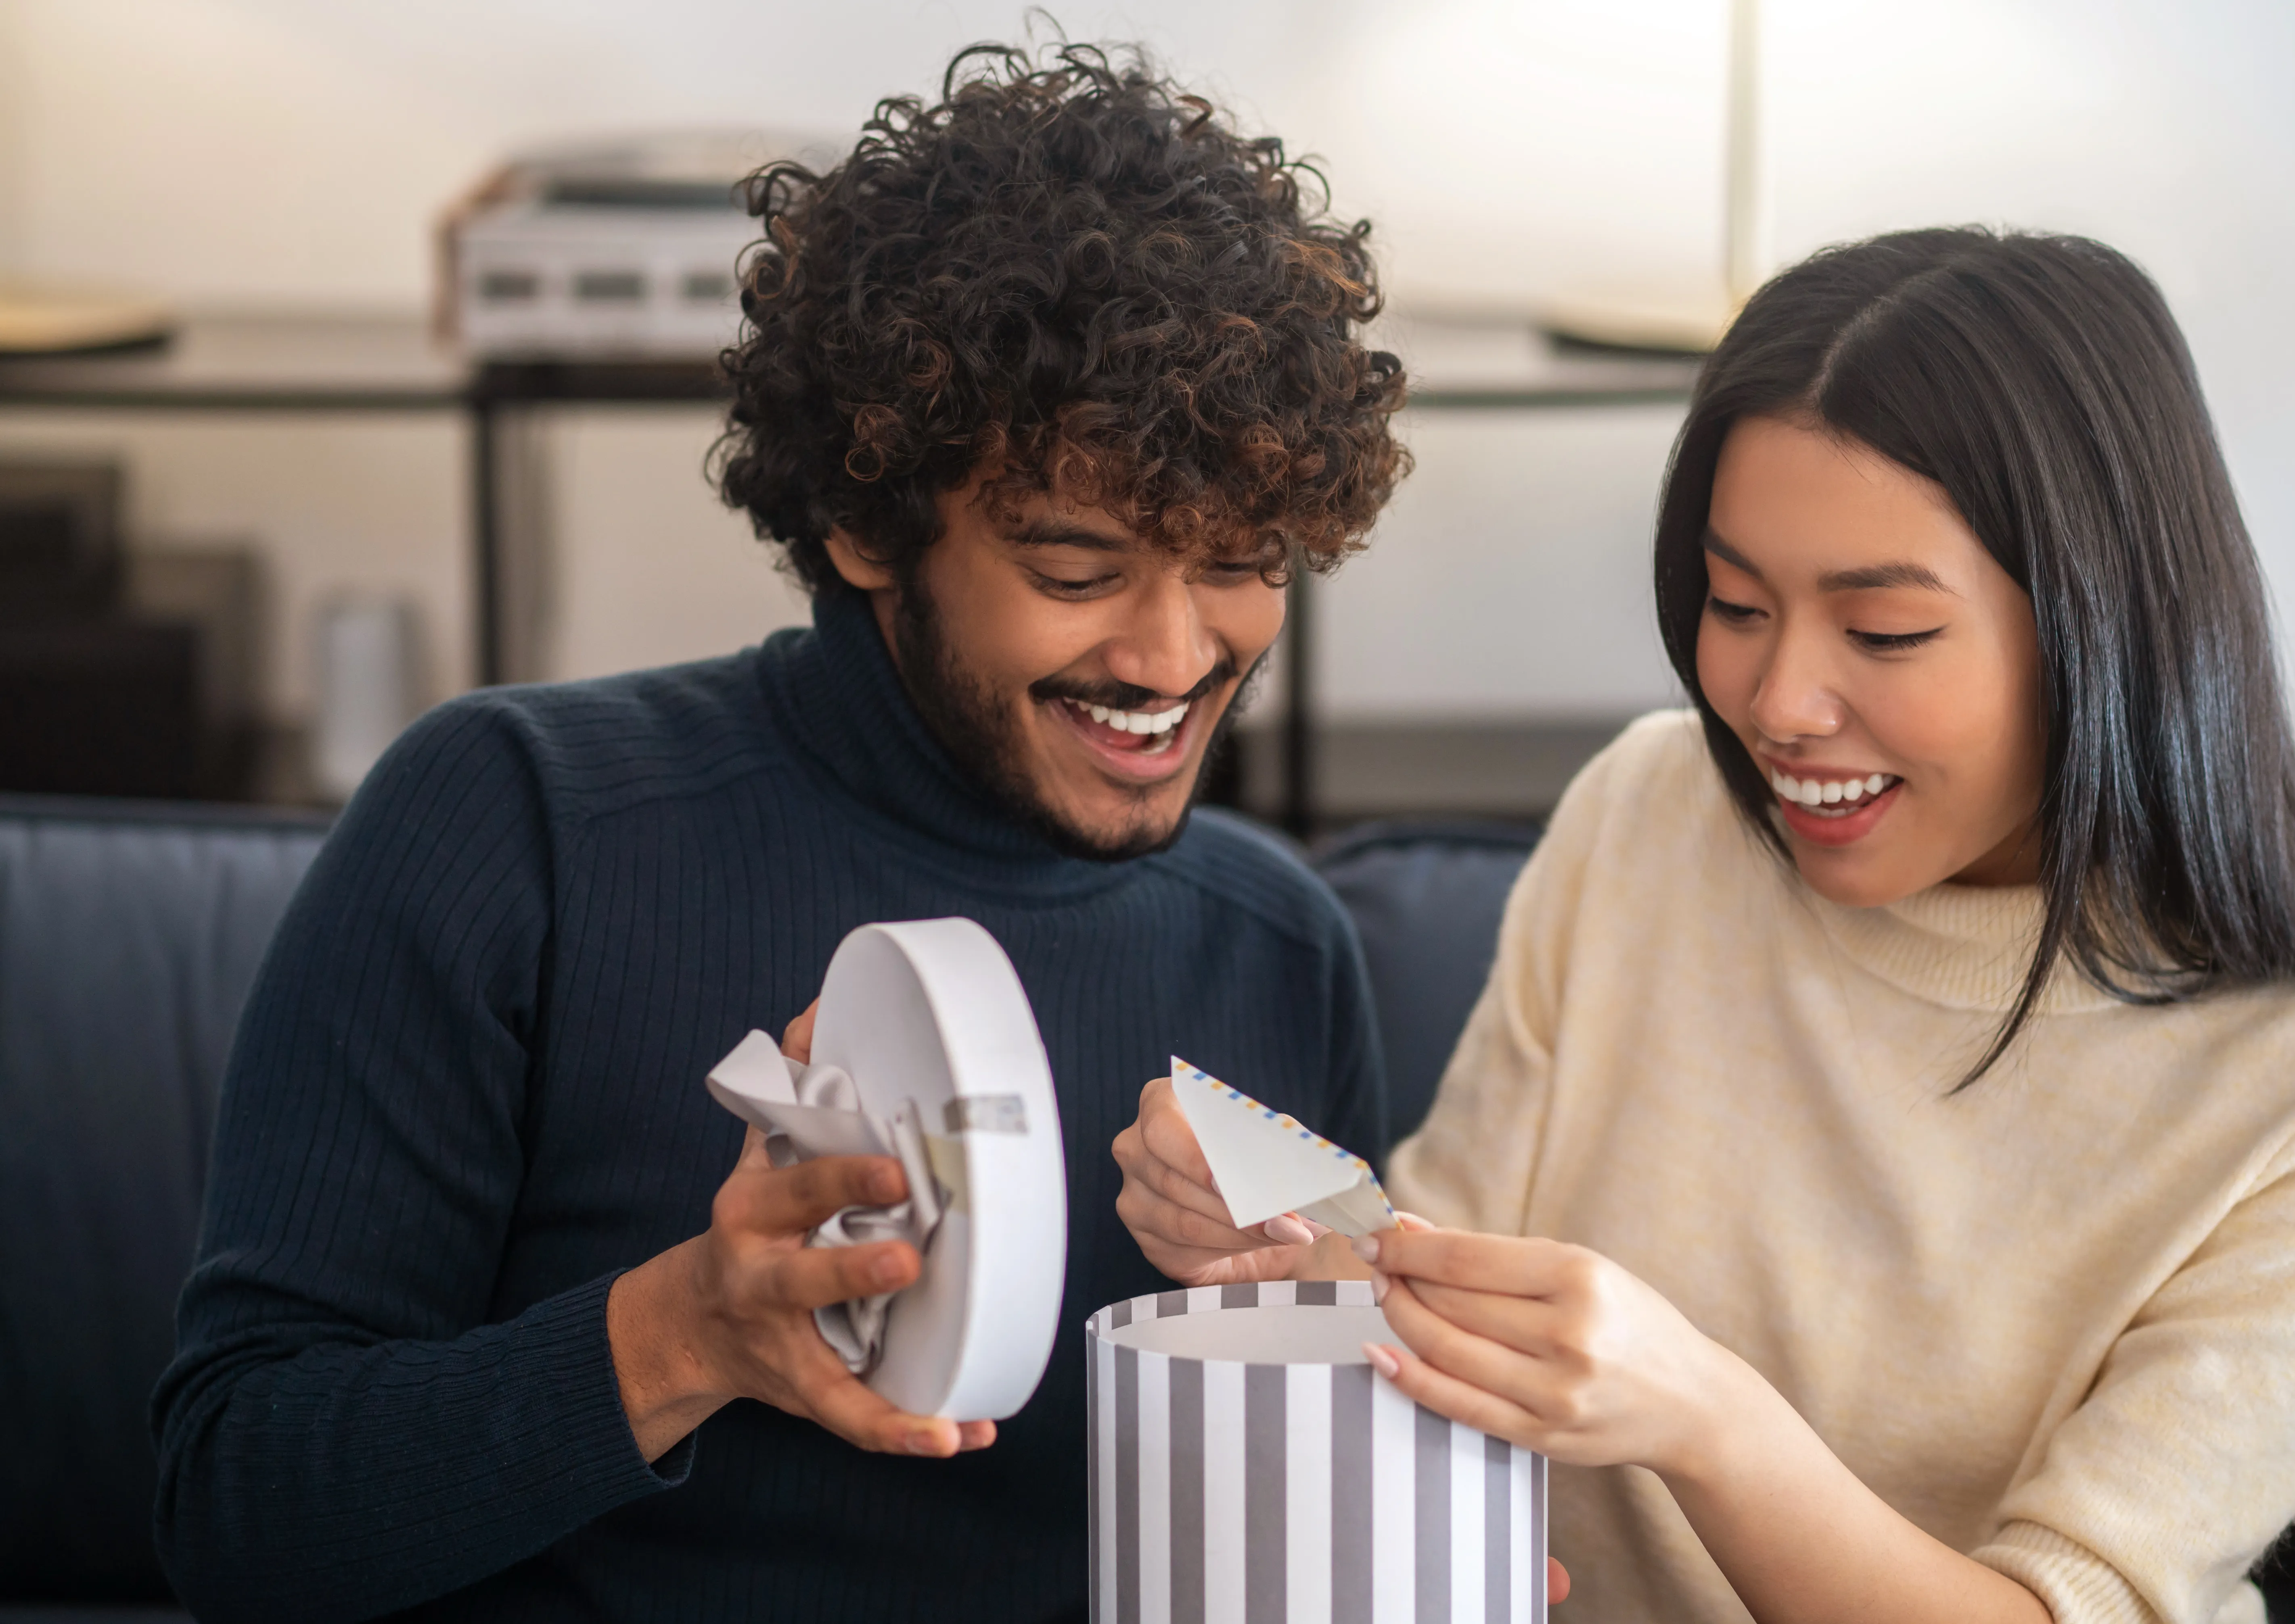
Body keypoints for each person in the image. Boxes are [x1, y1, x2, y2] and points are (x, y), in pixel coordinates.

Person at [153, 43, 1405, 1623]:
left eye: (1240, 561)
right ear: (869, 521)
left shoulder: (1277, 943)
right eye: (1079, 568)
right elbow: (237, 1511)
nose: (1172, 659)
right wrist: (685, 1334)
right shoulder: (514, 824)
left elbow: (1327, 1536)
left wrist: (1392, 1406)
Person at [1115, 227, 2295, 1623]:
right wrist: (1277, 1223)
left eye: (1882, 634)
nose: (1779, 704)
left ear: (2098, 627)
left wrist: (1700, 1415)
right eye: (1736, 605)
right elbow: (1446, 1287)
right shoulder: (1652, 810)